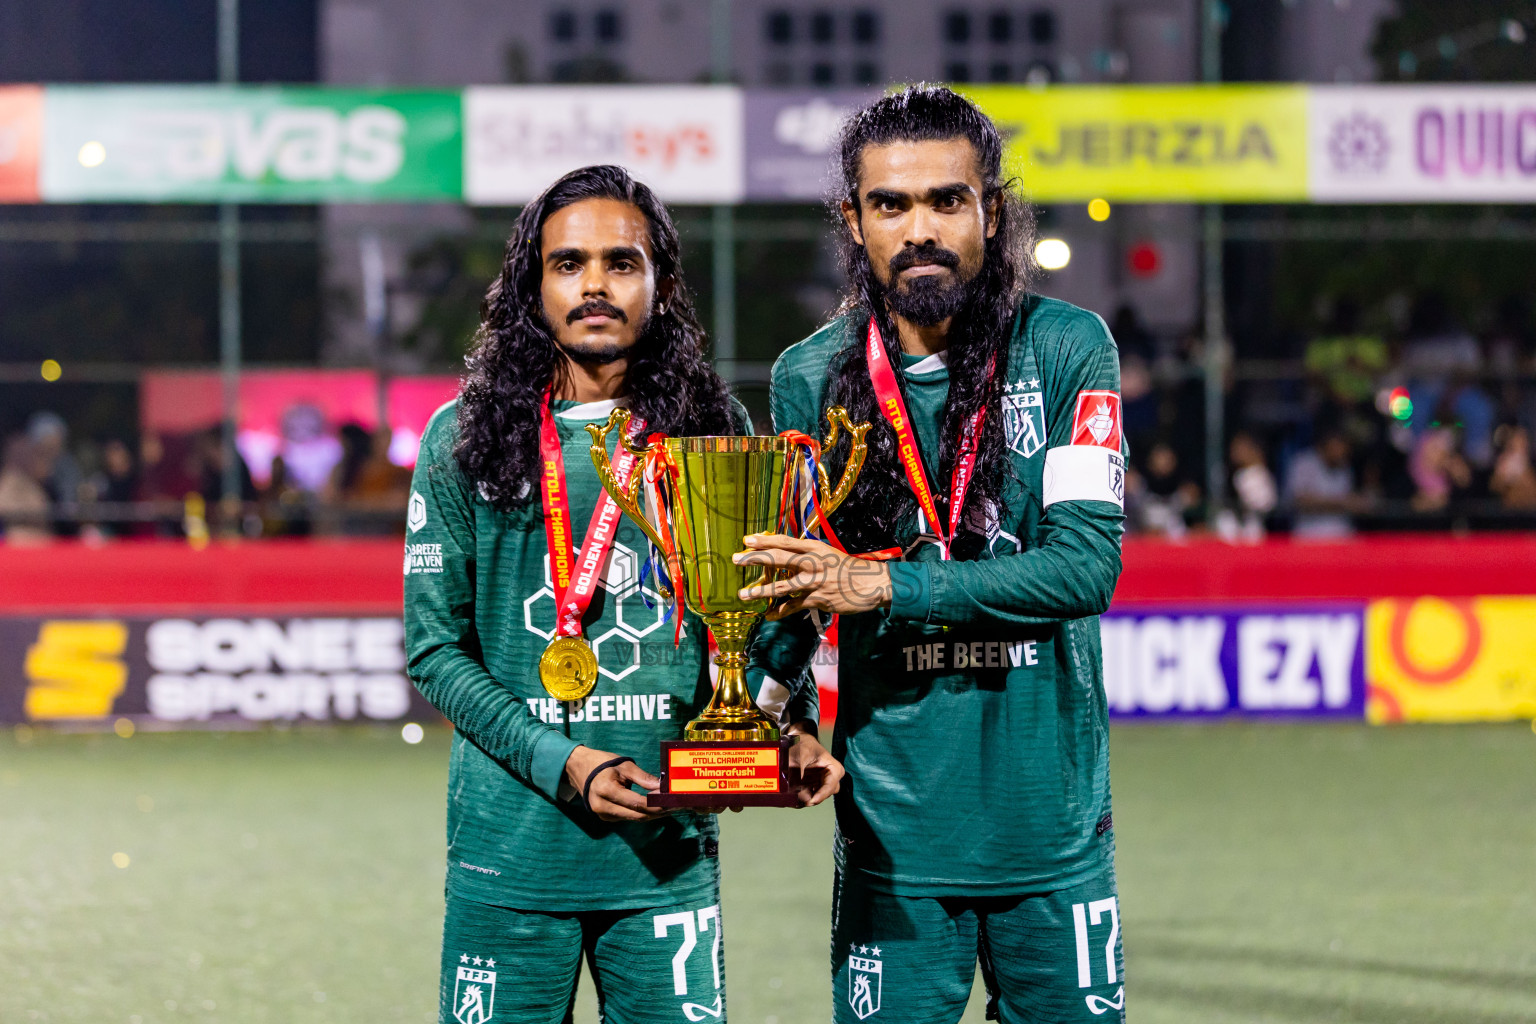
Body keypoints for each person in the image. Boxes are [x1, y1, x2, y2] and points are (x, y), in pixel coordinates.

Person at [403, 164, 842, 1024]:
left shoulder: (714, 430)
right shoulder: (461, 437)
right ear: (533, 287)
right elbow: (434, 651)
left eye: (621, 262)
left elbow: (765, 615)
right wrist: (565, 763)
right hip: (509, 863)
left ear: (662, 284)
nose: (594, 285)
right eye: (568, 264)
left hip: (666, 859)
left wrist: (783, 725)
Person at [738, 87, 1128, 1023]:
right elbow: (802, 580)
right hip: (894, 845)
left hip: (1053, 838)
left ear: (992, 211)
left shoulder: (1067, 347)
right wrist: (772, 715)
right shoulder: (809, 375)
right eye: (891, 204)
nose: (920, 230)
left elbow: (1085, 569)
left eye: (947, 200)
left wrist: (883, 584)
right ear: (854, 221)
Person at [1285, 431, 1362, 538]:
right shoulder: (1304, 463)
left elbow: (1351, 501)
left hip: (1341, 534)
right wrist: (1341, 503)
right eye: (1336, 448)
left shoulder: (1345, 468)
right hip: (1309, 534)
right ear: (1324, 447)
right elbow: (1299, 501)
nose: (1340, 453)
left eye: (1343, 449)